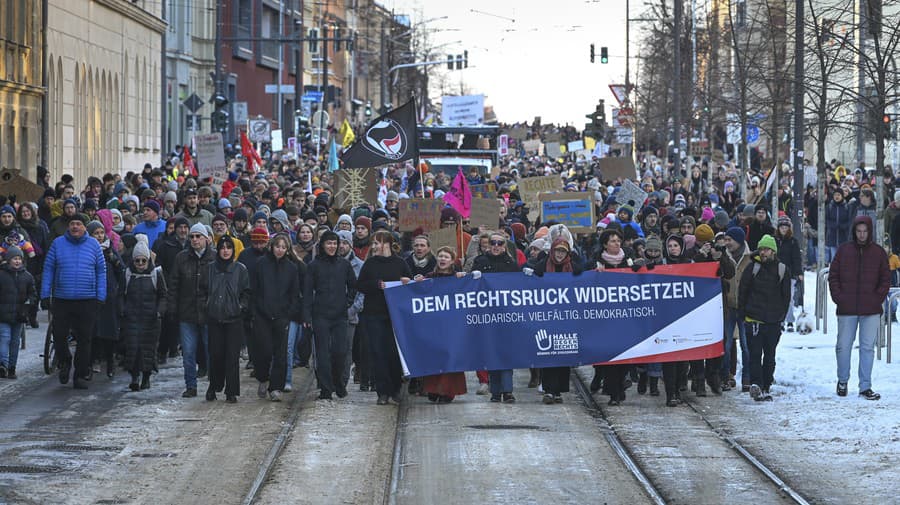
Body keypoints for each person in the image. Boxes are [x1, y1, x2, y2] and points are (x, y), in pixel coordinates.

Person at [41, 213, 107, 389]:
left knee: (85, 339)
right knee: (60, 335)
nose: (75, 227)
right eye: (72, 224)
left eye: (78, 224)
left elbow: (101, 271)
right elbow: (48, 269)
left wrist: (101, 295)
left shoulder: (94, 245)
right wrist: (45, 294)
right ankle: (65, 361)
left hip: (87, 299)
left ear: (85, 227)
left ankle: (80, 374)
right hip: (63, 298)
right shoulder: (58, 244)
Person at [828, 216, 890, 400]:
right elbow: (834, 275)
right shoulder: (844, 250)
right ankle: (842, 380)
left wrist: (877, 297)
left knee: (867, 348)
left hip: (870, 308)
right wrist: (839, 297)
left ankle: (865, 386)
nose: (862, 234)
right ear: (854, 231)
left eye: (865, 231)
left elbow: (885, 278)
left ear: (869, 231)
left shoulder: (878, 253)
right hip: (847, 307)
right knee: (843, 346)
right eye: (859, 231)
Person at [356, 230, 411, 405]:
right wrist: (375, 285)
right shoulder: (370, 264)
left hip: (395, 316)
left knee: (393, 353)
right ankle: (382, 391)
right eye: (373, 243)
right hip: (374, 314)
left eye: (377, 243)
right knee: (378, 353)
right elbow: (360, 284)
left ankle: (395, 388)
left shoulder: (400, 263)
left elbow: (410, 284)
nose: (374, 247)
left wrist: (405, 281)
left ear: (387, 244)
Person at [304, 230, 358, 400]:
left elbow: (353, 286)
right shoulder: (313, 266)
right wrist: (306, 315)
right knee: (322, 354)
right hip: (320, 315)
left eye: (335, 243)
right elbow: (306, 292)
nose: (333, 246)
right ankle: (326, 389)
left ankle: (338, 383)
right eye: (329, 243)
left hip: (340, 316)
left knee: (340, 352)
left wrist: (348, 302)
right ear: (322, 245)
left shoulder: (344, 265)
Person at [531, 238, 584, 404]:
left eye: (563, 251)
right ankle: (549, 389)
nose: (559, 255)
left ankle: (559, 390)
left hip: (567, 318)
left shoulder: (574, 267)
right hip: (547, 317)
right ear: (552, 251)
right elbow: (530, 281)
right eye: (557, 251)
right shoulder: (542, 266)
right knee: (548, 353)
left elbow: (586, 279)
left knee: (563, 353)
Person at [739, 234, 791, 402]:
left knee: (770, 356)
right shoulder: (752, 268)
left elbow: (786, 296)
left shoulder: (782, 269)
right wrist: (743, 313)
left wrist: (781, 315)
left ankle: (766, 384)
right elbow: (743, 291)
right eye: (761, 249)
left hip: (773, 320)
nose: (763, 252)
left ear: (773, 251)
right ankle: (756, 384)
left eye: (767, 249)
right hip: (753, 319)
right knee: (754, 354)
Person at [471, 231, 520, 404]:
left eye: (500, 243)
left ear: (505, 246)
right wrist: (472, 277)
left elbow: (519, 288)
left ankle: (507, 391)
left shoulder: (511, 264)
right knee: (491, 353)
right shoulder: (480, 262)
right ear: (489, 245)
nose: (496, 246)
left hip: (506, 316)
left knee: (507, 353)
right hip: (487, 316)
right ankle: (495, 391)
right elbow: (470, 287)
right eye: (493, 243)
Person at [167, 223, 215, 398]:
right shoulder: (182, 258)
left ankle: (213, 385)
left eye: (198, 236)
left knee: (211, 350)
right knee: (188, 351)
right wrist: (172, 308)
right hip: (187, 312)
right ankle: (191, 385)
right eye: (192, 236)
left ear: (206, 239)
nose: (195, 240)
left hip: (208, 312)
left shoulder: (213, 258)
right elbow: (173, 285)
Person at [415, 246, 468, 403]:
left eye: (446, 256)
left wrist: (464, 279)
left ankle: (448, 390)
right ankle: (433, 388)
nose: (443, 259)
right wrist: (414, 282)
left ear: (452, 261)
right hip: (433, 324)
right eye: (440, 256)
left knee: (450, 356)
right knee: (434, 355)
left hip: (452, 324)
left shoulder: (458, 278)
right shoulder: (429, 277)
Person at [251, 233, 300, 402]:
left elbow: (295, 294)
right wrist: (256, 311)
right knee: (263, 350)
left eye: (283, 247)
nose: (280, 250)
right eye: (277, 246)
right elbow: (254, 290)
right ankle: (263, 377)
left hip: (282, 315)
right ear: (272, 246)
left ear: (287, 250)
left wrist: (288, 313)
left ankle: (276, 387)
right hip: (262, 314)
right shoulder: (261, 264)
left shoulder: (292, 268)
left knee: (281, 353)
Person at [207, 235, 251, 403]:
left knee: (232, 356)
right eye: (222, 247)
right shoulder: (211, 268)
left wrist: (240, 307)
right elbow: (204, 289)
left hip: (234, 319)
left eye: (228, 247)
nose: (225, 251)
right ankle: (214, 385)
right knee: (216, 354)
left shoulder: (240, 269)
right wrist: (208, 305)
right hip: (215, 318)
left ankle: (231, 391)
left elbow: (247, 292)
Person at [121, 238, 167, 391]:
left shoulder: (155, 274)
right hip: (132, 317)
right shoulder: (127, 274)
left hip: (151, 319)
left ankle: (146, 376)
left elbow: (163, 295)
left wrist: (159, 311)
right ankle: (134, 376)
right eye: (137, 261)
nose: (140, 264)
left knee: (148, 349)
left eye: (143, 261)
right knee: (132, 348)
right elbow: (120, 295)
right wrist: (123, 309)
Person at [87, 221, 126, 378]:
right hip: (91, 296)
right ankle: (93, 361)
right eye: (95, 233)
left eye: (101, 233)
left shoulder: (110, 250)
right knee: (93, 332)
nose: (99, 236)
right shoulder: (87, 250)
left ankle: (110, 362)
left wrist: (115, 261)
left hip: (110, 296)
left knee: (109, 331)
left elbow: (121, 271)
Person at [720, 226, 752, 392]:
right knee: (726, 344)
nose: (727, 243)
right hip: (729, 306)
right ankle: (725, 376)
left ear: (738, 241)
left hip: (745, 307)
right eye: (725, 240)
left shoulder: (750, 257)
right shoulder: (724, 256)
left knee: (746, 346)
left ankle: (747, 377)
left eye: (729, 240)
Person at [0, 246, 36, 379]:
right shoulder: (2, 275)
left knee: (15, 342)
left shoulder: (27, 276)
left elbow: (33, 294)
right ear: (8, 260)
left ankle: (12, 367)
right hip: (3, 315)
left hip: (20, 315)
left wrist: (29, 303)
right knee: (4, 339)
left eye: (19, 258)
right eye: (14, 258)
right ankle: (3, 364)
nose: (17, 261)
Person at [774, 216, 803, 332]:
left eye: (786, 227)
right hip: (775, 273)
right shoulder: (774, 240)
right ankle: (780, 320)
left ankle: (790, 320)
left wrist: (798, 272)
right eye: (782, 227)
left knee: (789, 298)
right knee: (777, 298)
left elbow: (796, 258)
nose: (784, 229)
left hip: (789, 274)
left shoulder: (793, 241)